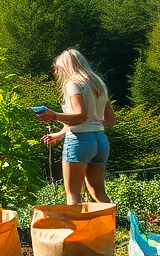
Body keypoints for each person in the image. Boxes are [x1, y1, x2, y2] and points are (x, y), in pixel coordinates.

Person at [37, 49, 117, 205]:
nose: (58, 73)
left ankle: (76, 230)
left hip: (80, 142)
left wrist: (53, 116)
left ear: (66, 67)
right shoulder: (99, 84)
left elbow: (81, 116)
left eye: (59, 69)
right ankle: (111, 226)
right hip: (100, 141)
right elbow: (110, 119)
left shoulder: (73, 83)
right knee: (98, 192)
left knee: (73, 194)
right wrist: (60, 134)